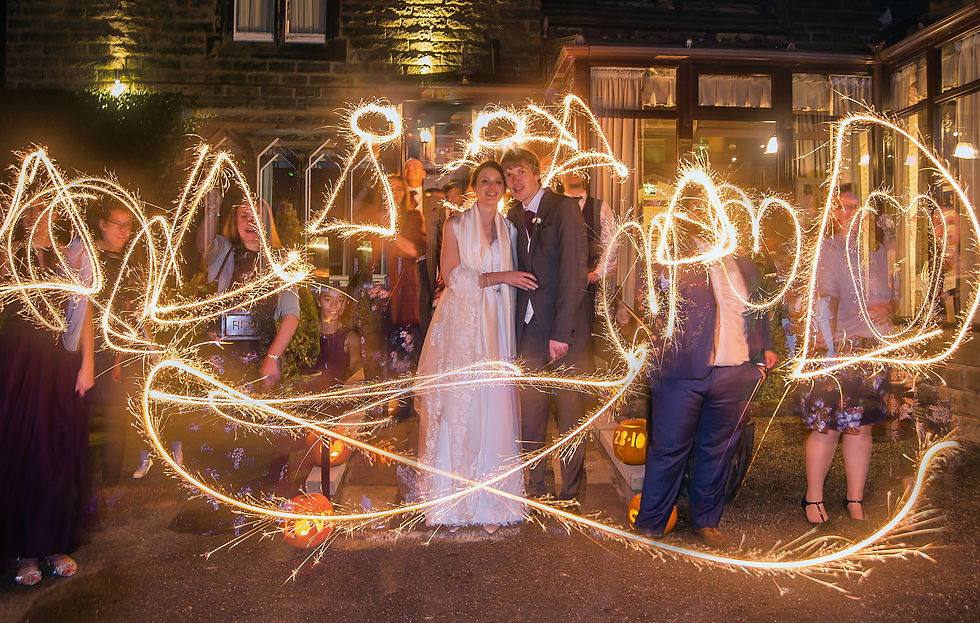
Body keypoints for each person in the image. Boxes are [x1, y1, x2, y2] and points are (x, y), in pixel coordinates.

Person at [633, 196, 778, 547]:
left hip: (734, 369)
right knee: (668, 450)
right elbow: (647, 302)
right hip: (682, 371)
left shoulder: (744, 263)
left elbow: (758, 308)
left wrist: (765, 348)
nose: (707, 216)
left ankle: (706, 520)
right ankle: (650, 524)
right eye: (698, 210)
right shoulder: (670, 258)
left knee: (718, 450)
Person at [415, 161, 535, 530]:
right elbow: (450, 275)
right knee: (461, 406)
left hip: (498, 326)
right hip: (465, 327)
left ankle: (493, 503)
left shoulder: (510, 228)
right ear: (473, 187)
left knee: (495, 403)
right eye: (484, 181)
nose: (492, 187)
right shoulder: (454, 226)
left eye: (498, 182)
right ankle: (454, 502)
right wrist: (502, 277)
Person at [174, 191, 300, 534]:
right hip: (219, 359)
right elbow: (202, 243)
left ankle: (253, 506)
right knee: (213, 432)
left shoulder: (280, 263)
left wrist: (273, 357)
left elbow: (291, 316)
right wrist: (212, 208)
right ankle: (214, 506)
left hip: (257, 359)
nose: (250, 223)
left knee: (254, 435)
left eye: (257, 216)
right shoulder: (222, 252)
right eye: (244, 216)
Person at [0, 198, 95, 585]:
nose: (38, 217)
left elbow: (86, 310)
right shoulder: (8, 256)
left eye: (46, 209)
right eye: (30, 210)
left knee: (58, 449)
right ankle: (24, 550)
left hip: (57, 366)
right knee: (22, 450)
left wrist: (88, 364)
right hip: (16, 368)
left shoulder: (68, 256)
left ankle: (56, 543)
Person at [800, 184, 896, 524]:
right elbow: (823, 301)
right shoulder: (827, 250)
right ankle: (813, 498)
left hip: (872, 350)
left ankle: (854, 498)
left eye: (855, 208)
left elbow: (893, 296)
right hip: (837, 352)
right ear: (831, 213)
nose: (848, 214)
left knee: (862, 427)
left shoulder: (878, 252)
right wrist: (828, 347)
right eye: (841, 207)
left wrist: (888, 309)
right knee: (828, 427)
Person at [502, 148, 591, 501]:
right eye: (509, 175)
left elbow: (575, 272)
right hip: (528, 333)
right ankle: (537, 491)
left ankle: (570, 496)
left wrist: (560, 332)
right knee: (531, 417)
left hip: (561, 331)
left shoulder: (563, 207)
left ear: (537, 173)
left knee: (570, 416)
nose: (514, 181)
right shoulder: (511, 214)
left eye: (520, 172)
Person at [275, 283, 362, 497]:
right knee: (295, 452)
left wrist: (358, 380)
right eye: (327, 299)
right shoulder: (306, 334)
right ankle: (290, 496)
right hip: (305, 398)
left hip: (331, 402)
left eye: (339, 300)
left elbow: (356, 364)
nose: (333, 306)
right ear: (318, 302)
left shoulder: (349, 337)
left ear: (344, 305)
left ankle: (323, 501)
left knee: (322, 451)